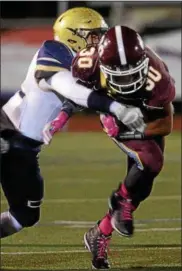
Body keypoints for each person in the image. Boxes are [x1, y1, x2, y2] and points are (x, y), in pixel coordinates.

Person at [0, 8, 144, 239]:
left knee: (24, 216)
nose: (99, 43)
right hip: (5, 131)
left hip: (25, 148)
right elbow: (68, 88)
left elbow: (73, 102)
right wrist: (114, 108)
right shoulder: (54, 50)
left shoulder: (88, 66)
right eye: (94, 36)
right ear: (73, 35)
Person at [42, 25, 175, 269]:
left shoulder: (158, 77)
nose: (126, 80)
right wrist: (61, 118)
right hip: (112, 113)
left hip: (143, 117)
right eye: (119, 74)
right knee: (151, 161)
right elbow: (76, 95)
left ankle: (100, 233)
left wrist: (139, 131)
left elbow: (165, 122)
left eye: (131, 73)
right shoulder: (87, 63)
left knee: (143, 185)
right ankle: (119, 200)